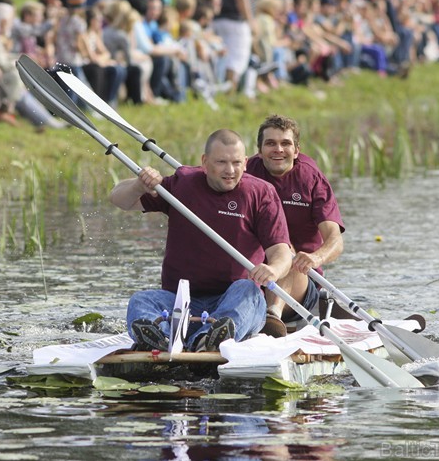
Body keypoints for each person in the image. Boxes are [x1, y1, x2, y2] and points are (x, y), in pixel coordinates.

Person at [110, 129, 293, 352]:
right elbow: (119, 199)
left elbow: (282, 253)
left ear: (245, 163)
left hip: (231, 300)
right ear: (205, 162)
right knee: (141, 300)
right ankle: (160, 337)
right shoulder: (182, 184)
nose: (230, 170)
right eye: (221, 162)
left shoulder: (262, 193)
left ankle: (211, 337)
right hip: (181, 301)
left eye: (236, 163)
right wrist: (140, 185)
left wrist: (273, 269)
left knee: (249, 291)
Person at [245, 115, 345, 337]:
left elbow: (335, 240)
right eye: (270, 143)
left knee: (284, 249)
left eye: (285, 144)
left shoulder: (312, 179)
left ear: (296, 150)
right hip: (252, 274)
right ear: (259, 151)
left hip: (298, 281)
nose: (278, 150)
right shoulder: (243, 170)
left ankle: (272, 317)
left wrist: (316, 258)